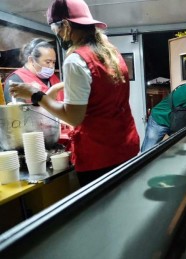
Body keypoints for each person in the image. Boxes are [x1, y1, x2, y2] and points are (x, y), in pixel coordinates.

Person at [9, 0, 140, 186]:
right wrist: (57, 89)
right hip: (126, 146)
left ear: (66, 25)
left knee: (99, 212)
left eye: (56, 29)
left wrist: (36, 94)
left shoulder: (75, 60)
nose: (57, 35)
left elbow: (73, 117)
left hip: (99, 156)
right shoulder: (111, 53)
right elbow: (100, 88)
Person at [4, 38, 64, 103]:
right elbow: (17, 111)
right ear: (31, 60)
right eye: (48, 62)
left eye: (53, 62)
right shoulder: (15, 80)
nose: (52, 66)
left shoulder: (54, 79)